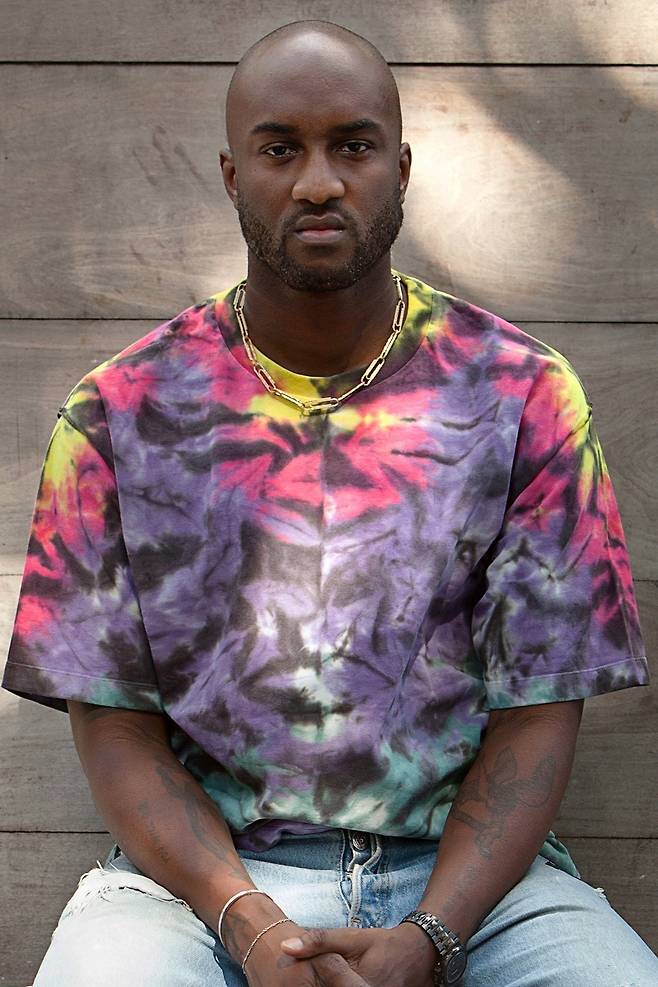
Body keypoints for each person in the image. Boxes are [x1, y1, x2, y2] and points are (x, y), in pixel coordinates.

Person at [2, 17, 656, 987]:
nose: (318, 182)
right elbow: (114, 726)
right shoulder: (119, 411)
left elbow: (539, 712)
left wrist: (432, 933)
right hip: (199, 884)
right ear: (233, 177)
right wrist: (248, 923)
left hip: (474, 882)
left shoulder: (521, 393)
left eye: (352, 147)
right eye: (280, 151)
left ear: (401, 168)